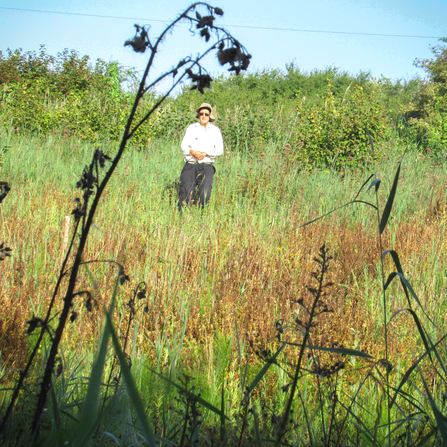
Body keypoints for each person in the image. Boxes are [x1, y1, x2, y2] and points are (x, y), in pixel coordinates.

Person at [178, 103, 223, 211]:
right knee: (185, 192)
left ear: (210, 116)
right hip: (191, 164)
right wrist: (193, 152)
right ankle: (182, 217)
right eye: (201, 113)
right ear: (198, 115)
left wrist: (205, 153)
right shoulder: (191, 128)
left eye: (206, 114)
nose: (204, 116)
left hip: (207, 165)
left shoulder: (215, 130)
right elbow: (183, 146)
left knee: (205, 194)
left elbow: (219, 150)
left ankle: (201, 217)